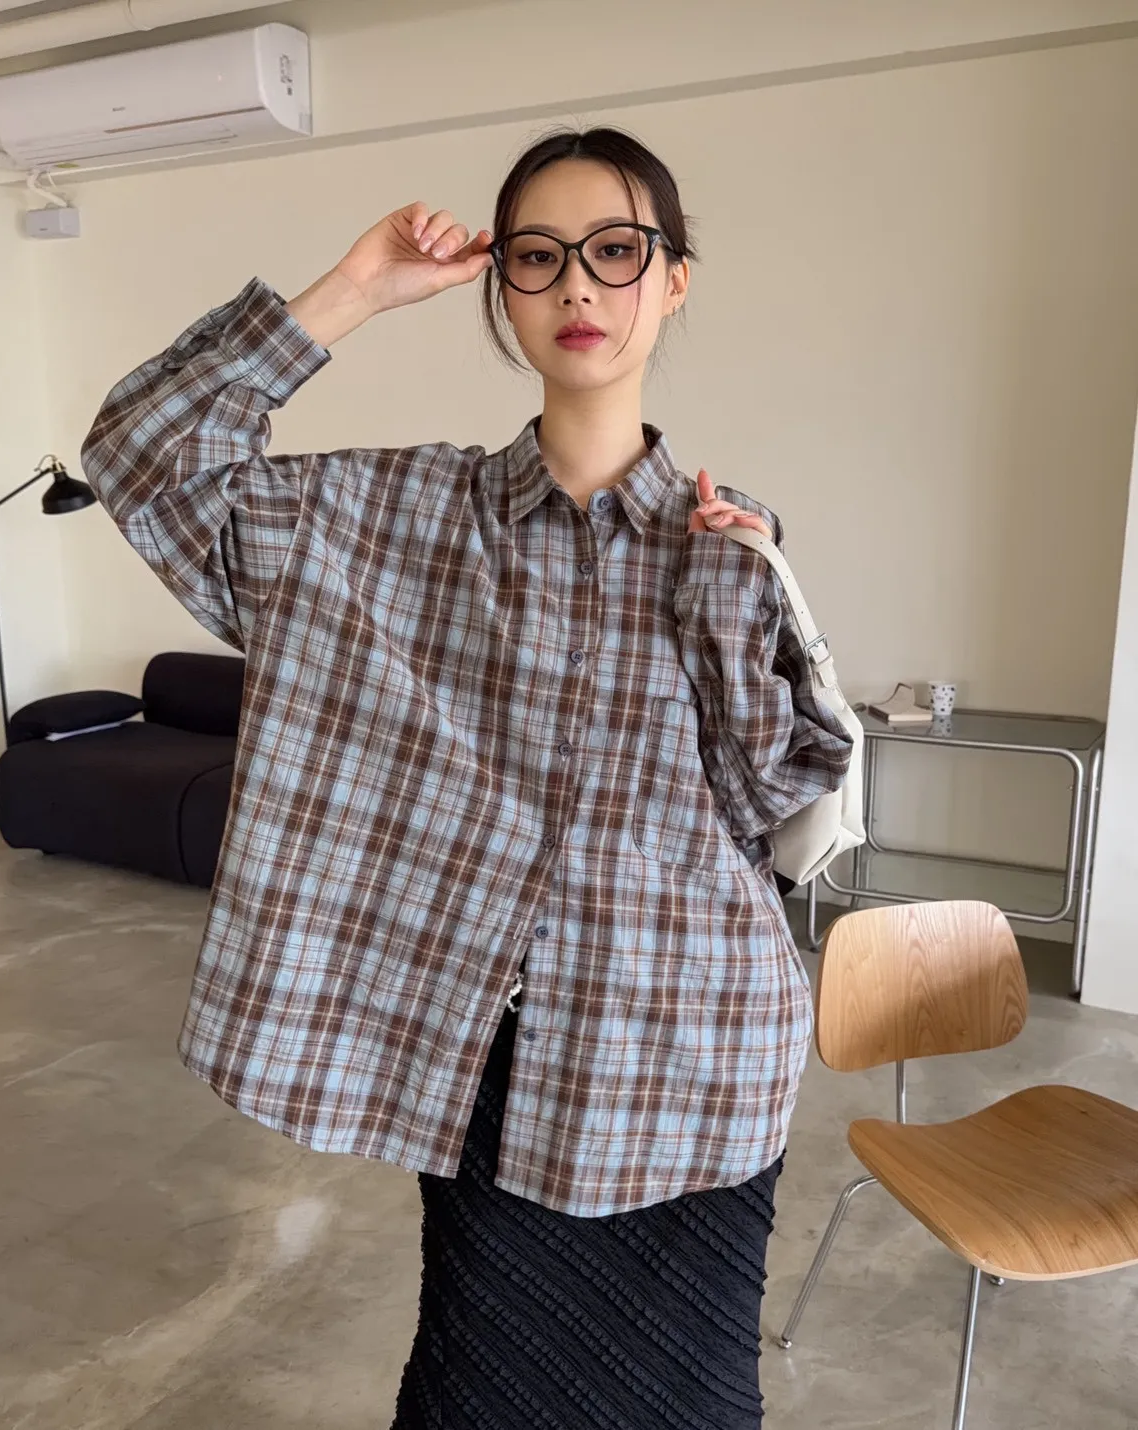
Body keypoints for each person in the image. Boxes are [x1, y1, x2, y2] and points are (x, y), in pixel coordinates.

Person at [81, 126, 853, 1428]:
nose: (578, 285)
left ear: (674, 279)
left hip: (694, 1044)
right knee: (473, 1389)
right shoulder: (395, 519)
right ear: (503, 290)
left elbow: (766, 799)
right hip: (500, 1045)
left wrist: (741, 596)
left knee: (694, 1402)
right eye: (538, 257)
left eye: (617, 251)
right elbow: (143, 456)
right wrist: (357, 289)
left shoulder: (727, 540)